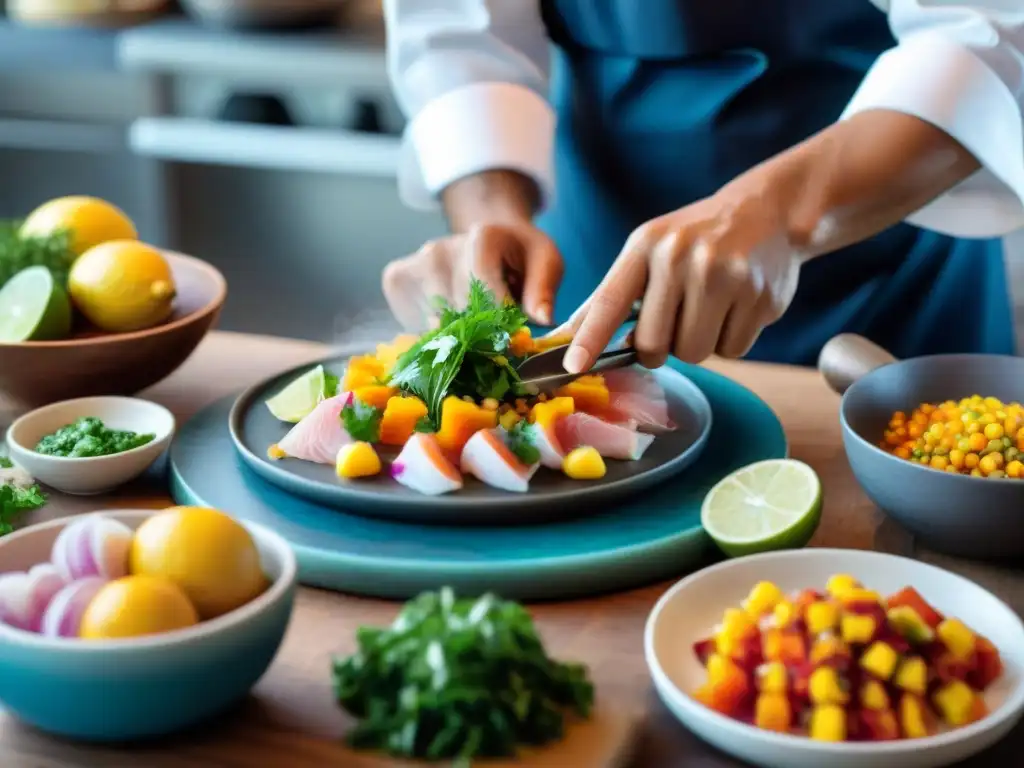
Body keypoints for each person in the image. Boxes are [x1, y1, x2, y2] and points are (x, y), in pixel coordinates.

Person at [379, 0, 1024, 373]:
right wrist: (488, 214)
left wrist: (782, 212)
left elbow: (985, 36)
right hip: (588, 244)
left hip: (890, 261)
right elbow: (460, 32)